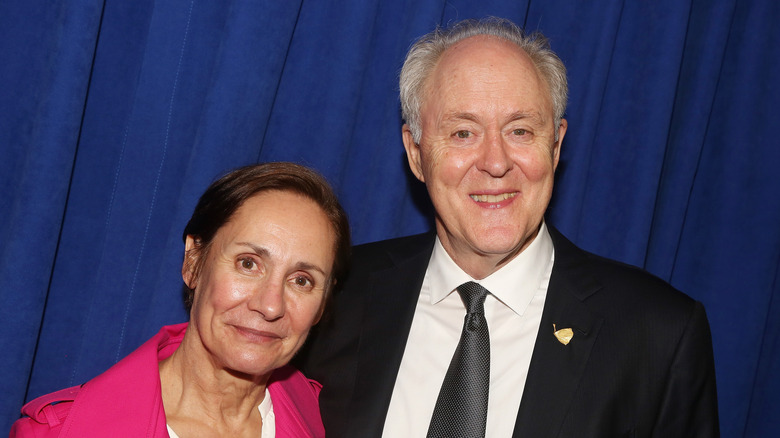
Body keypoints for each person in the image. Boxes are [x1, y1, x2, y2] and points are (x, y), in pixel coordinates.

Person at [296, 17, 719, 437]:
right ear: (415, 153)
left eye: (520, 131)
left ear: (555, 147)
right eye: (463, 133)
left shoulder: (658, 336)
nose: (496, 163)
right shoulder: (334, 295)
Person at [11, 162, 351, 438]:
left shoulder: (316, 413)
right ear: (193, 262)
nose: (271, 305)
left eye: (302, 280)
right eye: (248, 263)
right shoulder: (57, 432)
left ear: (323, 302)